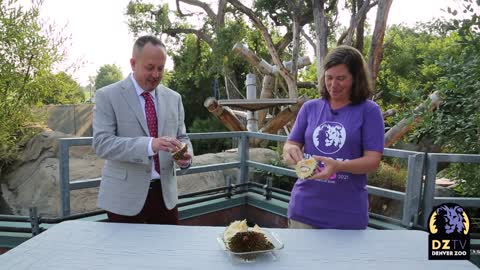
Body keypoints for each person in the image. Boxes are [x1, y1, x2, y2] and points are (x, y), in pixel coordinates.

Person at [92, 35, 193, 224]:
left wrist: (185, 156)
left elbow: (182, 136)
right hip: (123, 200)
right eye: (150, 67)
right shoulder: (107, 95)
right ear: (133, 63)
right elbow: (102, 144)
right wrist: (149, 145)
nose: (156, 74)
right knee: (127, 254)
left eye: (160, 68)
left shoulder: (174, 98)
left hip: (166, 198)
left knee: (167, 253)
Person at [282, 45, 384, 230]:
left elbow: (373, 161)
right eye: (329, 78)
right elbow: (291, 144)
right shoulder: (310, 108)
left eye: (341, 78)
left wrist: (339, 166)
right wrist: (290, 151)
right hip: (304, 211)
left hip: (347, 216)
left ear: (356, 78)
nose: (333, 85)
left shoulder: (369, 111)